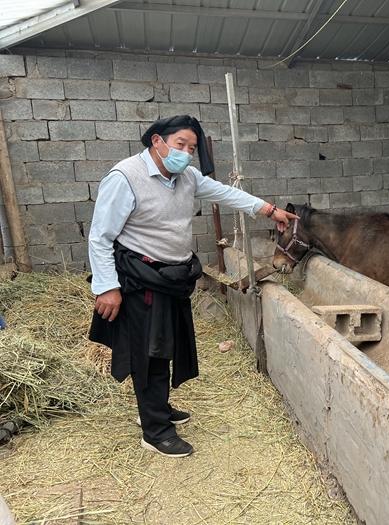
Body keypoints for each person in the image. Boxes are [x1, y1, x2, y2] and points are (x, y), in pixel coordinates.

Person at [88, 115, 297, 458]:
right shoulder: (125, 177)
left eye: (192, 147)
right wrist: (107, 287)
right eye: (180, 144)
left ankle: (156, 408)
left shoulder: (187, 177)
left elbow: (225, 192)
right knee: (150, 351)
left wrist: (268, 209)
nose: (185, 153)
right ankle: (155, 431)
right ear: (157, 141)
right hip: (141, 278)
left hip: (172, 278)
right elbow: (99, 237)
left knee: (166, 344)